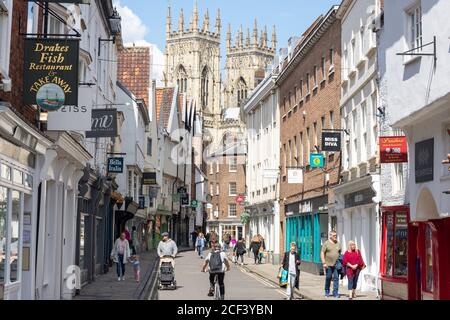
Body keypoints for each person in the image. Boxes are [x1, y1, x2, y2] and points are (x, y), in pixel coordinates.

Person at [321, 231, 342, 298]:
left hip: (336, 264)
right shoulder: (326, 243)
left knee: (336, 278)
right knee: (328, 277)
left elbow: (340, 253)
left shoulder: (338, 244)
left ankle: (335, 292)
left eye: (336, 235)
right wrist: (324, 262)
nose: (335, 237)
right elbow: (322, 253)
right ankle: (327, 290)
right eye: (334, 235)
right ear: (330, 236)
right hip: (328, 264)